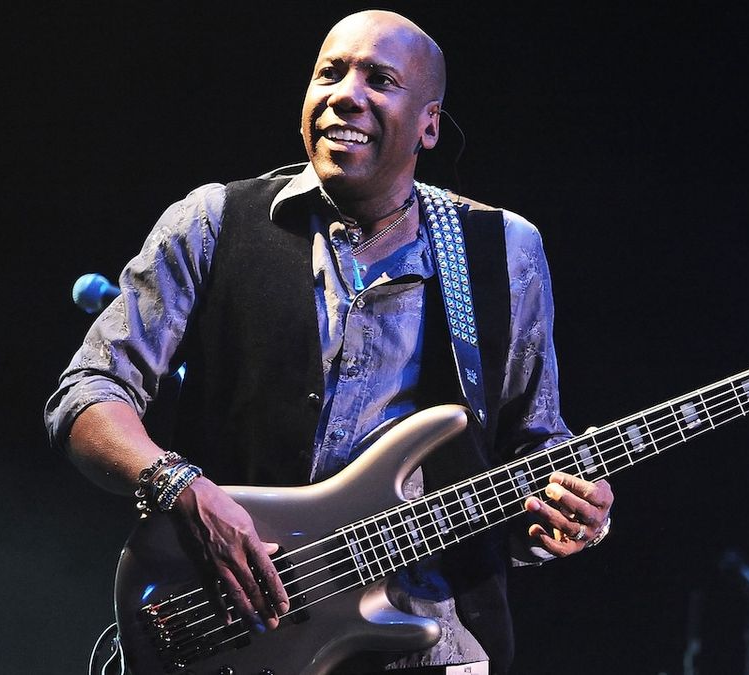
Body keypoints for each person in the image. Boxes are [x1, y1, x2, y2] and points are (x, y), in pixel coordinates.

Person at [45, 9, 613, 675]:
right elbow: (87, 392)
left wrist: (568, 512)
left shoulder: (503, 249)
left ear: (429, 124)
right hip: (241, 631)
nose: (346, 93)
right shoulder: (212, 222)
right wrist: (179, 485)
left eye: (381, 79)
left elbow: (533, 440)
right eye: (329, 73)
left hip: (433, 643)